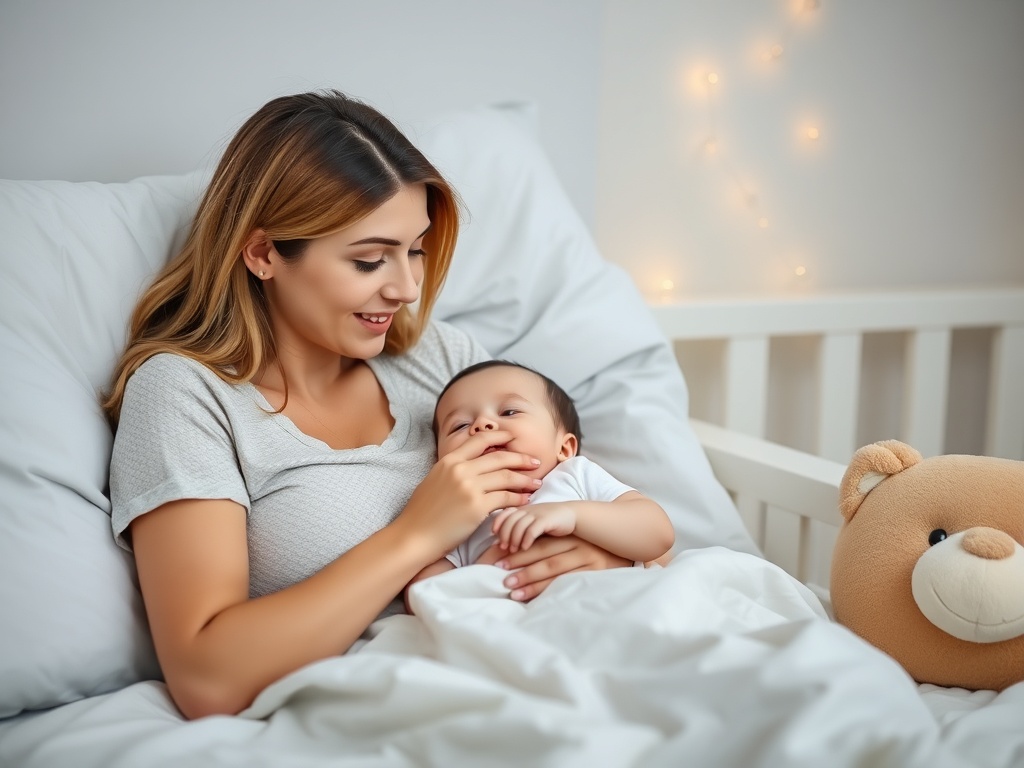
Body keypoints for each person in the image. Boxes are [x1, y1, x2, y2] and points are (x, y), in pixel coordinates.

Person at [102, 90, 632, 721]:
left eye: (414, 250)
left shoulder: (441, 361)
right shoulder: (185, 395)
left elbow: (589, 498)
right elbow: (205, 677)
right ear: (264, 253)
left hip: (541, 659)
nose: (407, 288)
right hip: (394, 705)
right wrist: (417, 534)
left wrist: (598, 555)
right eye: (369, 259)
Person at [404, 360, 676, 609]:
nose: (483, 424)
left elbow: (658, 534)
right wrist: (479, 574)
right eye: (459, 426)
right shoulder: (461, 514)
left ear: (565, 447)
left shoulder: (575, 474)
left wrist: (573, 515)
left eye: (509, 412)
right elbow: (422, 594)